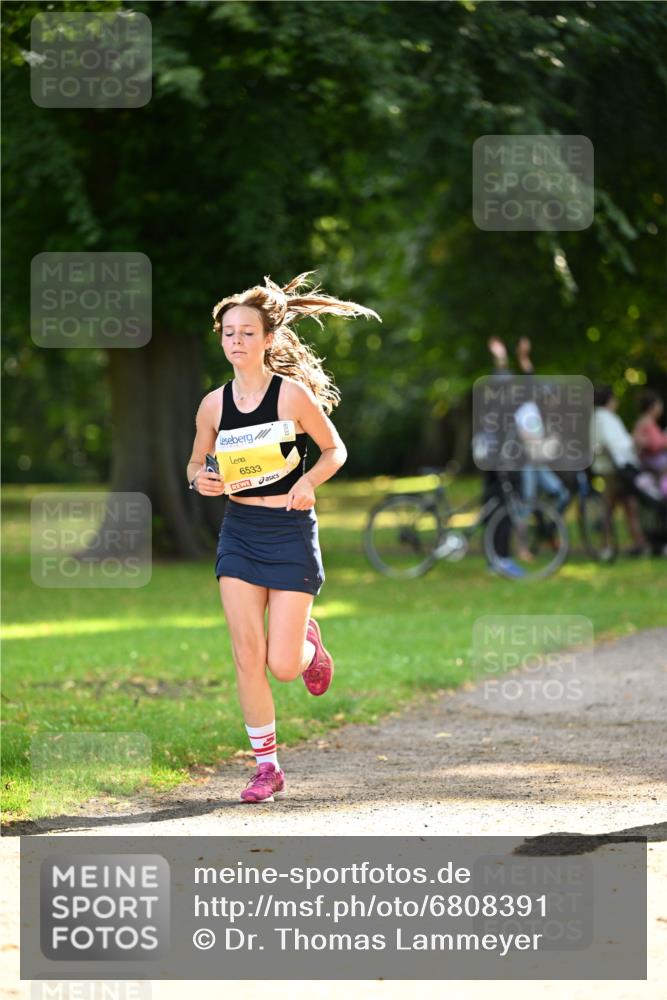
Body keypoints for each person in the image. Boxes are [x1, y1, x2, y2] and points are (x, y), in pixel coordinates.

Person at [186, 272, 380, 803]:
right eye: (229, 332)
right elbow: (197, 463)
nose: (237, 341)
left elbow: (335, 450)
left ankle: (308, 647)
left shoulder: (290, 396)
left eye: (247, 332)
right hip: (240, 533)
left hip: (290, 531)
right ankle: (266, 768)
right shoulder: (212, 405)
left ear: (268, 339)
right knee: (247, 656)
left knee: (282, 666)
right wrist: (200, 480)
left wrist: (308, 482)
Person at [592, 385, 661, 555]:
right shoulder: (602, 419)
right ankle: (607, 545)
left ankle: (638, 543)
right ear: (609, 400)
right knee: (612, 507)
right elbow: (614, 444)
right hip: (613, 469)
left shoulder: (606, 418)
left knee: (629, 505)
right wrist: (635, 443)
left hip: (619, 468)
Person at [633, 389, 667, 498]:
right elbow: (655, 444)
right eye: (659, 405)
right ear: (651, 407)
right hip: (652, 460)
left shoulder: (645, 422)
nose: (661, 408)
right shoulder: (647, 422)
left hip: (651, 460)